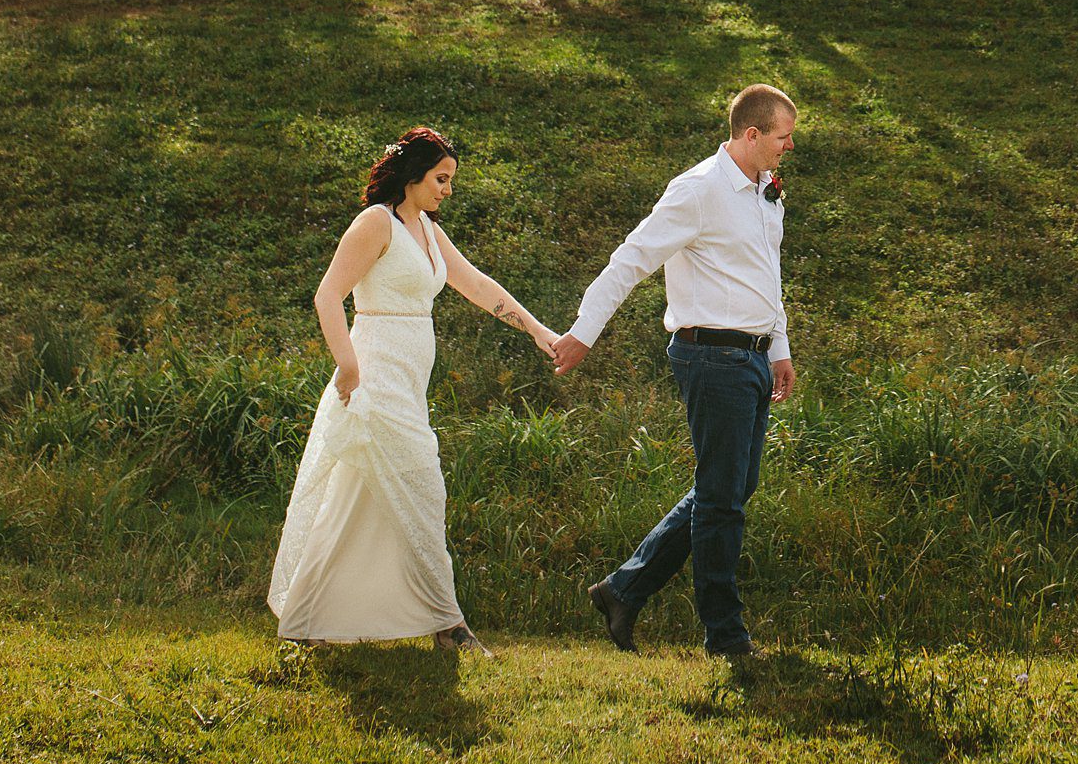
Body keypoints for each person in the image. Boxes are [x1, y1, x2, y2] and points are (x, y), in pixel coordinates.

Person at [268, 126, 558, 649]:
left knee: (353, 500)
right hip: (374, 380)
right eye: (441, 179)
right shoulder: (375, 223)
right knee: (425, 490)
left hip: (409, 383)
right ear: (413, 175)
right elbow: (328, 295)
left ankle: (305, 624)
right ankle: (450, 626)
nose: (448, 189)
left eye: (450, 180)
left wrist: (538, 331)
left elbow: (474, 283)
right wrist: (348, 365)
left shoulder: (425, 229)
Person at [552, 84, 798, 658]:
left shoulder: (766, 192)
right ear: (752, 134)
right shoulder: (697, 190)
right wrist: (584, 332)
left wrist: (779, 347)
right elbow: (631, 258)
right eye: (783, 137)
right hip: (711, 355)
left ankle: (623, 589)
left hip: (753, 355)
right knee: (722, 501)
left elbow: (768, 272)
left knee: (729, 489)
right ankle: (725, 635)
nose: (789, 146)